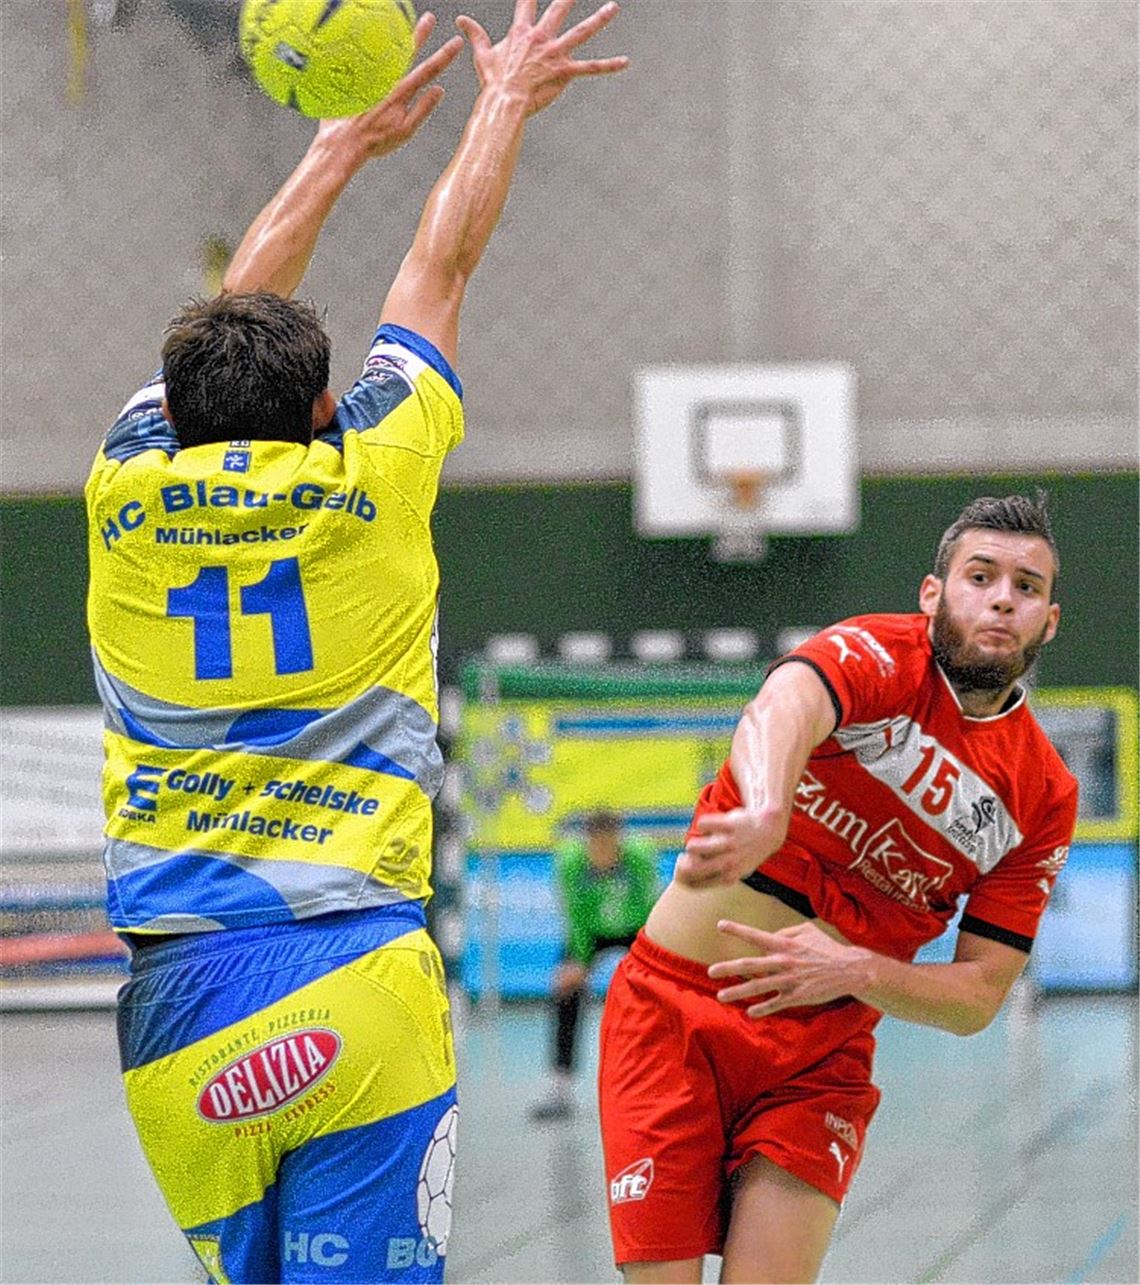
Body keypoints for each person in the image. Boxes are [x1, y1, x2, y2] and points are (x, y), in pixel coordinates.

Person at [84, 5, 627, 1283]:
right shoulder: (377, 473)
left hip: (177, 997)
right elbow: (437, 273)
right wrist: (500, 103)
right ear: (328, 407)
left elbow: (228, 320)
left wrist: (330, 154)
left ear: (174, 409)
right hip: (355, 969)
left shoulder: (121, 480)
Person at [598, 494, 1078, 1284]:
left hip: (819, 1051)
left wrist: (857, 970)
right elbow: (785, 704)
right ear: (934, 594)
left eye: (1025, 587)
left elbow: (980, 993)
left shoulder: (1042, 794)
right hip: (672, 1017)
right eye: (980, 575)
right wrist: (766, 803)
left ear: (1047, 621)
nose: (1001, 597)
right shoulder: (883, 654)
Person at [529, 808, 659, 1121]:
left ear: (619, 841)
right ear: (587, 842)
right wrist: (579, 963)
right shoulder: (571, 861)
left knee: (658, 996)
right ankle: (559, 1087)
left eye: (609, 846)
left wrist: (644, 962)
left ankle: (655, 1086)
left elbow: (650, 908)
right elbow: (574, 915)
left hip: (636, 930)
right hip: (590, 934)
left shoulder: (639, 856)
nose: (602, 855)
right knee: (565, 992)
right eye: (596, 847)